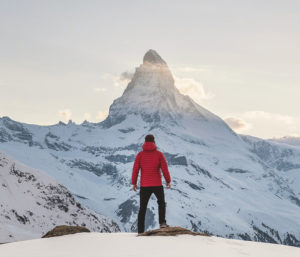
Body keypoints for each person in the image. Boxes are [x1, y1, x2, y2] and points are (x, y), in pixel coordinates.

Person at [131, 134, 171, 234]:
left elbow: (135, 170)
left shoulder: (140, 155)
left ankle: (140, 231)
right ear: (154, 142)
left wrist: (134, 183)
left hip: (144, 185)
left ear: (145, 142)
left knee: (142, 208)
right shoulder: (159, 154)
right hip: (157, 184)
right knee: (161, 203)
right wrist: (168, 181)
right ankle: (162, 223)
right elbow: (164, 168)